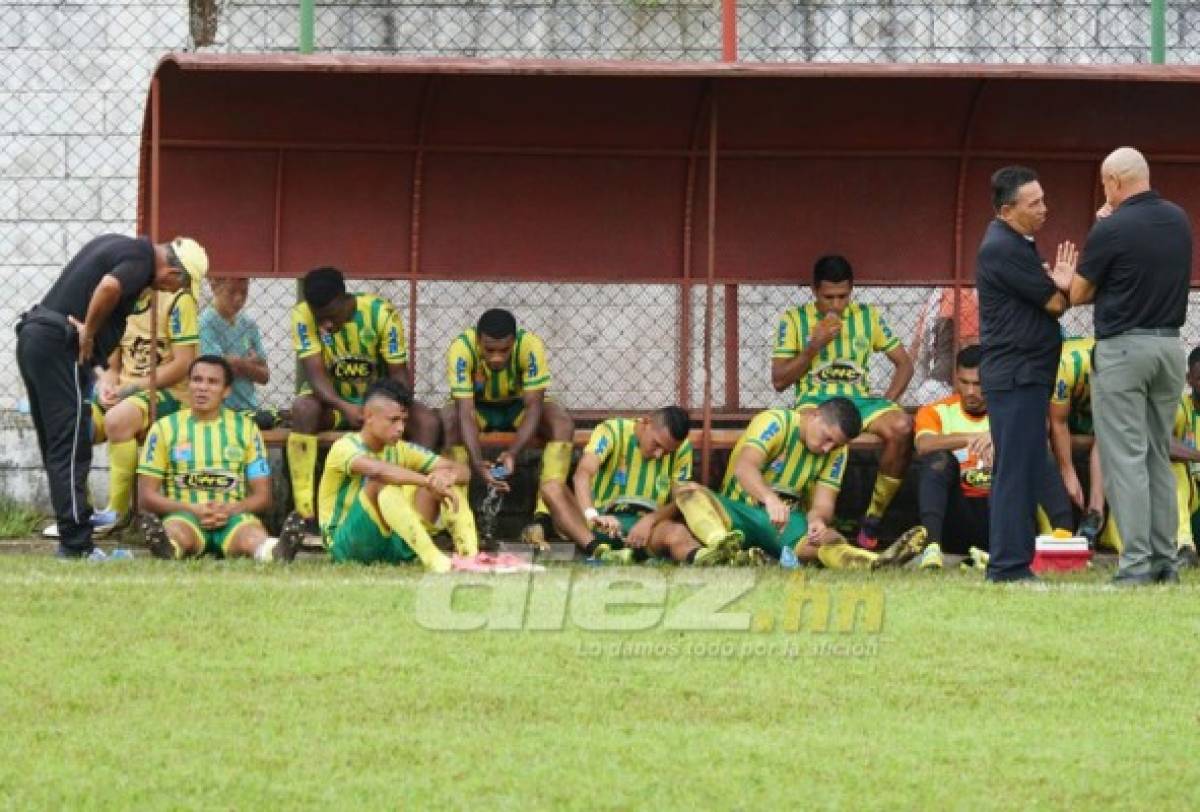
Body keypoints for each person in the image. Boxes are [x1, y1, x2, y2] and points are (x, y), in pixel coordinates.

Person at [15, 234, 207, 559]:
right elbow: (108, 287)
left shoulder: (121, 247)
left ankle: (79, 521)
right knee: (71, 445)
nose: (171, 292)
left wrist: (101, 371)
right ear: (174, 273)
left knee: (58, 443)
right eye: (177, 286)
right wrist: (88, 333)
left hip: (38, 339)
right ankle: (77, 545)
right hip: (55, 345)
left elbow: (91, 303)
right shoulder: (141, 259)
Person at [1062, 147, 1192, 585]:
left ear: (1115, 182)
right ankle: (1165, 562)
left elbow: (1079, 292)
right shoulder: (1179, 220)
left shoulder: (1111, 229)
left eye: (1105, 184)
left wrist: (1096, 235)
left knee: (1125, 458)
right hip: (1170, 349)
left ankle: (1135, 564)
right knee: (1158, 454)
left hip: (1123, 351)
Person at [673, 398, 929, 570]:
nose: (828, 448)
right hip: (736, 513)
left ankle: (875, 562)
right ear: (815, 415)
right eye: (827, 438)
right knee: (690, 493)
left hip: (785, 526)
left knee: (829, 538)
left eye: (836, 444)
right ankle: (720, 545)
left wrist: (817, 520)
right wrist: (769, 498)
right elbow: (745, 467)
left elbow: (824, 503)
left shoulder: (837, 451)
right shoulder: (776, 422)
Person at [771, 254, 915, 550]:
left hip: (860, 402)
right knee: (809, 430)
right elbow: (779, 380)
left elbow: (905, 364)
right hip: (816, 401)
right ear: (814, 291)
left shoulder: (867, 316)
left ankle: (872, 520)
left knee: (902, 425)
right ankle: (813, 521)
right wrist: (813, 347)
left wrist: (886, 402)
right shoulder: (794, 320)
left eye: (843, 296)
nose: (836, 305)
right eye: (828, 297)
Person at [975, 166, 1075, 582]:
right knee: (1014, 470)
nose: (1044, 209)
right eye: (1034, 203)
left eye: (1043, 198)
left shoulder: (1015, 242)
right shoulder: (1003, 247)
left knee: (1023, 463)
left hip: (1025, 373)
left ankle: (1016, 557)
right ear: (1006, 210)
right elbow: (1053, 303)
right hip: (1016, 374)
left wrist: (1054, 285)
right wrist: (1064, 285)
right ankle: (1008, 566)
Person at [287, 266, 439, 533]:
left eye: (331, 316)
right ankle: (306, 514)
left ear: (346, 299)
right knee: (303, 409)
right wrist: (344, 406)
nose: (327, 325)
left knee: (427, 421)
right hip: (335, 405)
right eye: (320, 318)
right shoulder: (301, 315)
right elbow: (314, 375)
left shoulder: (382, 314)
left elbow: (400, 378)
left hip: (378, 405)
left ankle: (412, 510)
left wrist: (379, 411)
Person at [913, 345, 1074, 570]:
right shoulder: (935, 411)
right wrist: (974, 438)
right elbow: (924, 444)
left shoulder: (1012, 412)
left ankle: (1065, 537)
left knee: (1035, 452)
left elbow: (1039, 439)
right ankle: (932, 547)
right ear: (955, 379)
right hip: (959, 516)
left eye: (978, 384)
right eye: (964, 382)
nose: (970, 391)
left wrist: (1001, 440)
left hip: (1004, 513)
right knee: (937, 460)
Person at [135, 355, 303, 562]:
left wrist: (230, 510)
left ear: (227, 391)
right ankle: (167, 549)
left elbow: (263, 497)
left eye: (212, 382)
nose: (202, 388)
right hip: (185, 515)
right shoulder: (164, 428)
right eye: (197, 380)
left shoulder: (246, 429)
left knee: (251, 536)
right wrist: (193, 509)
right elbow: (146, 497)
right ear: (188, 385)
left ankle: (275, 552)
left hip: (233, 518)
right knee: (177, 532)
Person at [442, 308, 574, 547]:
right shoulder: (461, 348)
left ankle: (543, 518)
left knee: (561, 422)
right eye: (489, 350)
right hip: (478, 409)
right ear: (478, 340)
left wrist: (513, 453)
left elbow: (534, 407)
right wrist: (476, 461)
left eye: (504, 350)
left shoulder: (530, 345)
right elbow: (464, 411)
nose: (496, 358)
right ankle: (459, 517)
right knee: (448, 420)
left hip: (517, 407)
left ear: (514, 341)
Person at [319, 379, 477, 571]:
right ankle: (434, 559)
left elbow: (463, 470)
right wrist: (429, 481)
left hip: (390, 544)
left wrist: (446, 478)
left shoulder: (401, 449)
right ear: (368, 416)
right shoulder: (345, 447)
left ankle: (471, 557)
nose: (401, 428)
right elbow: (379, 471)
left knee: (443, 476)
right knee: (380, 484)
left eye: (403, 421)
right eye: (393, 420)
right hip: (346, 545)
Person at [538, 406, 693, 563]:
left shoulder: (682, 449)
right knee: (551, 487)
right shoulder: (612, 431)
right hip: (597, 525)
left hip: (645, 531)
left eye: (667, 451)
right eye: (657, 444)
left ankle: (701, 558)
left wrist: (650, 520)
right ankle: (599, 550)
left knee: (677, 532)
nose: (659, 454)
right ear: (647, 422)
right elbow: (582, 474)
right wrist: (593, 516)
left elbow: (679, 500)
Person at [199, 276, 269, 415]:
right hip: (218, 408)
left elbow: (265, 376)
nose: (238, 299)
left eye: (244, 292)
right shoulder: (206, 323)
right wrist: (249, 365)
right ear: (214, 287)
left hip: (249, 408)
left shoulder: (249, 324)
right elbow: (215, 371)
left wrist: (237, 363)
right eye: (231, 292)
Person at [1168, 347, 1200, 568]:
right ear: (1189, 379)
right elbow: (1160, 443)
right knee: (1176, 468)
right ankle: (1184, 546)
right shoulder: (1179, 408)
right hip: (1191, 502)